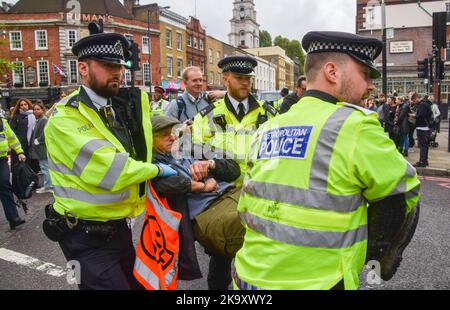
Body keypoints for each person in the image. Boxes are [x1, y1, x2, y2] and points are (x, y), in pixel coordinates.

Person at [233, 31, 421, 290]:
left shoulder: (269, 127)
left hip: (246, 278)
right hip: (320, 281)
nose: (370, 85)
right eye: (365, 74)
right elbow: (405, 194)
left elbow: (246, 207)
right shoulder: (354, 125)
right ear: (332, 72)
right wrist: (376, 252)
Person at [43, 22, 176, 290]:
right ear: (83, 68)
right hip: (83, 237)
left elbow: (150, 139)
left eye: (120, 67)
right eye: (108, 66)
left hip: (118, 229)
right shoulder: (65, 118)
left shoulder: (116, 108)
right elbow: (111, 170)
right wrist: (157, 170)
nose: (118, 73)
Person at [150, 116, 241, 289]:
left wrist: (211, 164)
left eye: (174, 133)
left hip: (233, 195)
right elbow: (164, 185)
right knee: (258, 225)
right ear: (150, 139)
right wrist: (201, 186)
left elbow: (234, 168)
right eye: (164, 135)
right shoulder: (154, 164)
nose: (173, 137)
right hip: (208, 214)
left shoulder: (192, 150)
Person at [191, 55, 278, 184]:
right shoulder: (205, 117)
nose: (245, 82)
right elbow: (196, 158)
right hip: (224, 194)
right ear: (225, 80)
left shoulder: (268, 114)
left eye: (248, 78)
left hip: (260, 190)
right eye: (239, 78)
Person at [0, 115, 26, 230]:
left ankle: (13, 218)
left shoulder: (3, 122)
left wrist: (19, 151)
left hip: (2, 160)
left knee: (5, 184)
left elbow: (12, 138)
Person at [30, 102, 52, 194]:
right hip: (40, 147)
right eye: (34, 109)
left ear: (42, 110)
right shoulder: (39, 119)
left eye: (38, 109)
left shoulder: (43, 119)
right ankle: (48, 185)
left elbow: (45, 133)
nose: (36, 111)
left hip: (42, 147)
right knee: (45, 167)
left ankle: (48, 186)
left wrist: (38, 141)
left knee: (45, 167)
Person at [9, 98, 37, 172]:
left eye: (25, 104)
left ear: (28, 105)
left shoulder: (34, 115)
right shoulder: (15, 117)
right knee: (19, 166)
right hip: (19, 145)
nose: (23, 106)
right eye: (21, 105)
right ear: (19, 107)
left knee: (31, 166)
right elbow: (11, 132)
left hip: (31, 145)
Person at [412, 92, 433, 167]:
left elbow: (421, 115)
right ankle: (425, 161)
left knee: (423, 146)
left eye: (414, 100)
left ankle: (422, 162)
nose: (414, 102)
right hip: (425, 127)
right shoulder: (425, 104)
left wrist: (415, 115)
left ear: (417, 98)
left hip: (422, 127)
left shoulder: (422, 104)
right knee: (425, 146)